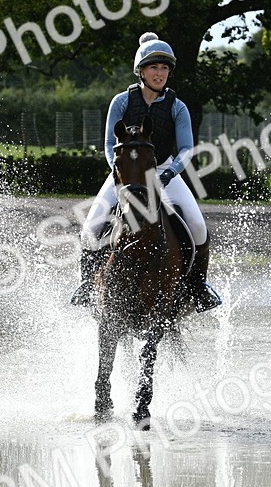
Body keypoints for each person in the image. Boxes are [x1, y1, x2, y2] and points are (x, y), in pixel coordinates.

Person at [70, 32, 221, 313]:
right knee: (91, 227)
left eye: (165, 68)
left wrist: (171, 172)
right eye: (154, 67)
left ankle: (198, 287)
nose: (160, 73)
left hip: (164, 169)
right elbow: (107, 144)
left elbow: (187, 148)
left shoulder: (177, 107)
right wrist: (119, 174)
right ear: (140, 70)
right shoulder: (122, 102)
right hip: (126, 171)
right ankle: (86, 285)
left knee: (198, 226)